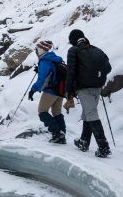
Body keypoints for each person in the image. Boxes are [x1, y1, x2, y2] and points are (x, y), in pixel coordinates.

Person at [65, 29, 112, 158]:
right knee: (87, 114)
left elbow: (71, 72)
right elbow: (108, 68)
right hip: (97, 87)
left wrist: (68, 90)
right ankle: (84, 142)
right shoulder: (96, 49)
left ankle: (104, 147)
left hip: (83, 88)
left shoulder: (73, 51)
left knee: (91, 114)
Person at [28, 40, 66, 144]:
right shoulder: (54, 59)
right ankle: (62, 135)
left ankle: (57, 133)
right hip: (60, 90)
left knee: (42, 111)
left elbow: (41, 80)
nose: (36, 51)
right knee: (56, 112)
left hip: (50, 90)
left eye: (37, 49)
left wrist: (32, 90)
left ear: (42, 49)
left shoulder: (44, 61)